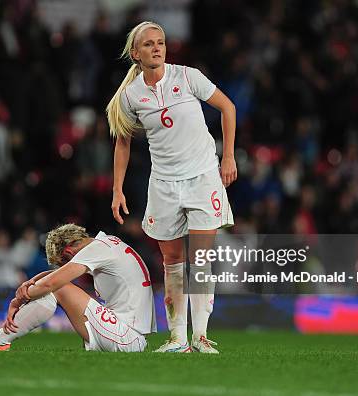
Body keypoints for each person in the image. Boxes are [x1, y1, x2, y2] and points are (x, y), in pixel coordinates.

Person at [106, 21, 237, 353]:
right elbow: (123, 143)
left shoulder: (187, 76)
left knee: (202, 258)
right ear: (135, 53)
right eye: (149, 44)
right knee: (173, 262)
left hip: (203, 176)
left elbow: (228, 108)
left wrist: (228, 158)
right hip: (164, 184)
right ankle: (178, 337)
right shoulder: (131, 96)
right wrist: (117, 189)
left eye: (161, 42)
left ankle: (201, 336)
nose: (157, 47)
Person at [0, 224, 156, 352]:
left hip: (127, 337)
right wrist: (31, 282)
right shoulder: (106, 243)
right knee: (55, 287)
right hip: (129, 335)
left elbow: (54, 283)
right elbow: (52, 278)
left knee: (57, 288)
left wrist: (19, 299)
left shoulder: (96, 250)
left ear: (69, 251)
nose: (65, 268)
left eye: (65, 263)